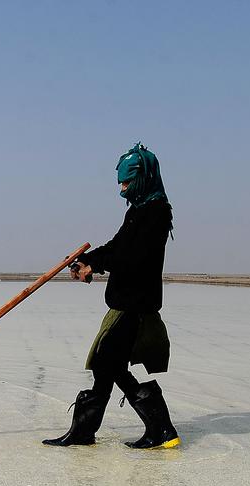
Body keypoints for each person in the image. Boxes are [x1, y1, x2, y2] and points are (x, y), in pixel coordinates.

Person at [44, 142, 180, 450]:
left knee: (107, 363)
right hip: (124, 302)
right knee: (107, 367)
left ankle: (161, 430)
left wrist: (95, 263)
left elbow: (133, 257)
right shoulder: (139, 211)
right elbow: (118, 247)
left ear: (142, 176)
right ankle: (85, 432)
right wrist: (89, 259)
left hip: (135, 305)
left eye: (127, 180)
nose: (122, 187)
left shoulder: (156, 212)